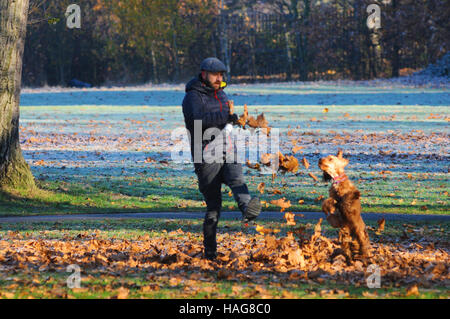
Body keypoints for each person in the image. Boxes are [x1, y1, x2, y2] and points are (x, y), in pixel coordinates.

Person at [182, 57, 261, 260]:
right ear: (203, 74)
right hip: (206, 156)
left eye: (221, 75)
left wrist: (237, 120)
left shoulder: (222, 94)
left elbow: (226, 120)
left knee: (237, 179)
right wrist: (226, 118)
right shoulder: (192, 97)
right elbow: (197, 122)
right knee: (214, 207)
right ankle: (210, 252)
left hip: (228, 149)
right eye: (215, 74)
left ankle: (247, 209)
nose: (219, 78)